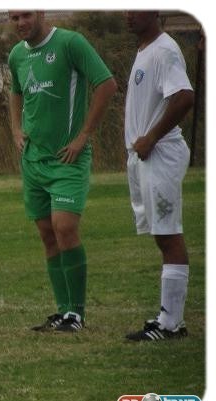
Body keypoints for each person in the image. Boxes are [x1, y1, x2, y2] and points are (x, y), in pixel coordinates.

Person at [7, 11, 117, 332]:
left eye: (26, 14)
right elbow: (15, 90)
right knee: (47, 234)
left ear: (41, 12)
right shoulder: (16, 55)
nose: (20, 22)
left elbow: (106, 84)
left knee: (64, 227)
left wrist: (83, 136)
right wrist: (16, 129)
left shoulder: (70, 43)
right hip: (33, 160)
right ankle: (63, 311)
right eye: (14, 17)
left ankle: (77, 314)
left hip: (68, 159)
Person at [123, 11, 194, 341]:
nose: (128, 13)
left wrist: (151, 136)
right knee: (161, 234)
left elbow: (184, 96)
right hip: (145, 157)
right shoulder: (145, 50)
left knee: (168, 233)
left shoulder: (165, 49)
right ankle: (169, 319)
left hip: (160, 154)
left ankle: (171, 323)